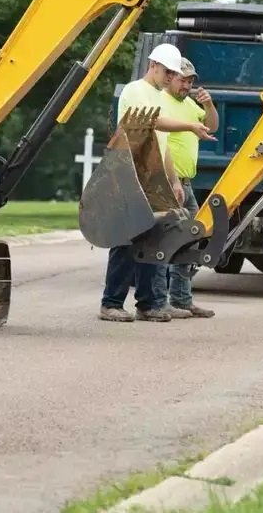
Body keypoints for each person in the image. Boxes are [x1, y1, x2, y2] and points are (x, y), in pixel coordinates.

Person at [98, 43, 215, 323]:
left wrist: (172, 179)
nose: (169, 76)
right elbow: (152, 123)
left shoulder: (159, 95)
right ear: (153, 65)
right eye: (167, 71)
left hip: (154, 177)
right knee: (126, 240)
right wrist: (189, 126)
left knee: (154, 241)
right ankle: (111, 302)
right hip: (132, 173)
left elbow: (163, 146)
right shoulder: (135, 90)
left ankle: (149, 304)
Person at [155, 57, 220, 318]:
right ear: (169, 77)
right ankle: (159, 301)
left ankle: (182, 299)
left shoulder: (191, 105)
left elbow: (212, 126)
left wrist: (208, 104)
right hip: (166, 182)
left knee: (192, 238)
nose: (187, 85)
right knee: (164, 242)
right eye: (183, 80)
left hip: (185, 184)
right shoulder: (160, 101)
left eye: (191, 81)